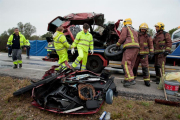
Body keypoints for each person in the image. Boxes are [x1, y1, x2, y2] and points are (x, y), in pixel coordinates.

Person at [116, 18, 139, 87]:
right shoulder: (134, 30)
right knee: (130, 64)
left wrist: (118, 44)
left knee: (125, 63)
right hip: (136, 48)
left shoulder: (125, 28)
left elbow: (123, 37)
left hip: (129, 47)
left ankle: (131, 80)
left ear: (125, 23)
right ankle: (126, 79)